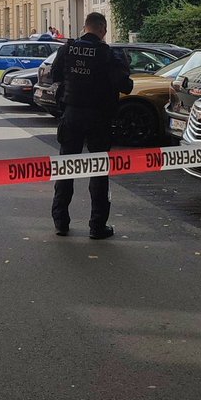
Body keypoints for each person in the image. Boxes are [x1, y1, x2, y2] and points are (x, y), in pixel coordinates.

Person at [51, 12, 133, 240]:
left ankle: (61, 222)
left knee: (66, 169)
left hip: (72, 115)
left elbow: (55, 74)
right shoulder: (108, 54)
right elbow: (126, 86)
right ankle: (97, 226)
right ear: (102, 29)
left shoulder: (67, 49)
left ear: (85, 28)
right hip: (99, 118)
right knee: (98, 172)